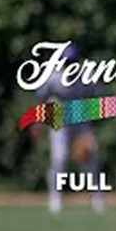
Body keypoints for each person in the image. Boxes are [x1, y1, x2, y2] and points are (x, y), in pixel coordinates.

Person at [30, 42, 106, 214]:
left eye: (71, 61)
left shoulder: (86, 74)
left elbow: (98, 95)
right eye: (66, 62)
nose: (69, 65)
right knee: (59, 159)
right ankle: (55, 199)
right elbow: (41, 98)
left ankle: (98, 198)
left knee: (92, 159)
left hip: (81, 117)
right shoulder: (53, 76)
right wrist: (37, 123)